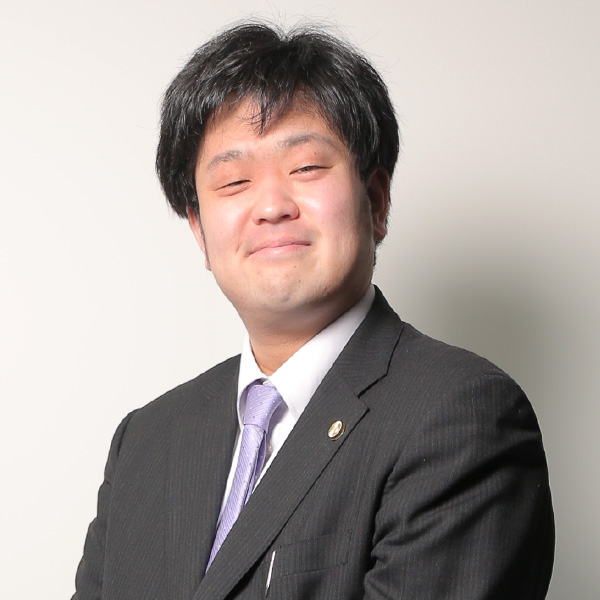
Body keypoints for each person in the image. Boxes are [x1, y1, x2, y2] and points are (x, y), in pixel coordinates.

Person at [72, 23, 554, 600]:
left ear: (376, 201)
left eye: (305, 168)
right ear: (199, 231)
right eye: (234, 180)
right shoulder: (146, 440)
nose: (271, 206)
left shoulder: (461, 415)